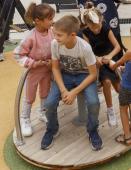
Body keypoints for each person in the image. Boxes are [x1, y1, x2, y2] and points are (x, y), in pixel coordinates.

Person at [41, 15, 103, 150]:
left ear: (72, 35)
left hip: (85, 75)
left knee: (94, 103)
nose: (55, 38)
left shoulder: (85, 48)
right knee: (49, 104)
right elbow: (55, 68)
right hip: (66, 75)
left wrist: (73, 92)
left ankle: (92, 131)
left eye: (59, 35)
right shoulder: (55, 44)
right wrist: (64, 90)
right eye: (55, 34)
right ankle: (52, 129)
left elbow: (93, 74)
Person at [13, 3, 56, 137]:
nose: (52, 21)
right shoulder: (30, 37)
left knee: (45, 92)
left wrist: (52, 60)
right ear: (38, 21)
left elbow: (58, 46)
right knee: (30, 97)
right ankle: (25, 118)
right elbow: (18, 55)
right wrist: (34, 63)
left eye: (52, 18)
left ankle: (42, 112)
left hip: (47, 70)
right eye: (49, 19)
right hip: (33, 72)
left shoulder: (53, 31)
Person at [80, 2, 121, 128]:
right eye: (93, 28)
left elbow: (117, 47)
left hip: (109, 58)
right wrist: (95, 58)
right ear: (87, 25)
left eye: (98, 27)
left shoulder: (106, 30)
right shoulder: (86, 33)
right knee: (107, 82)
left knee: (120, 87)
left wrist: (109, 57)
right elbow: (88, 50)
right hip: (96, 61)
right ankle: (110, 110)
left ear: (101, 20)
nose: (96, 30)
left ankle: (128, 107)